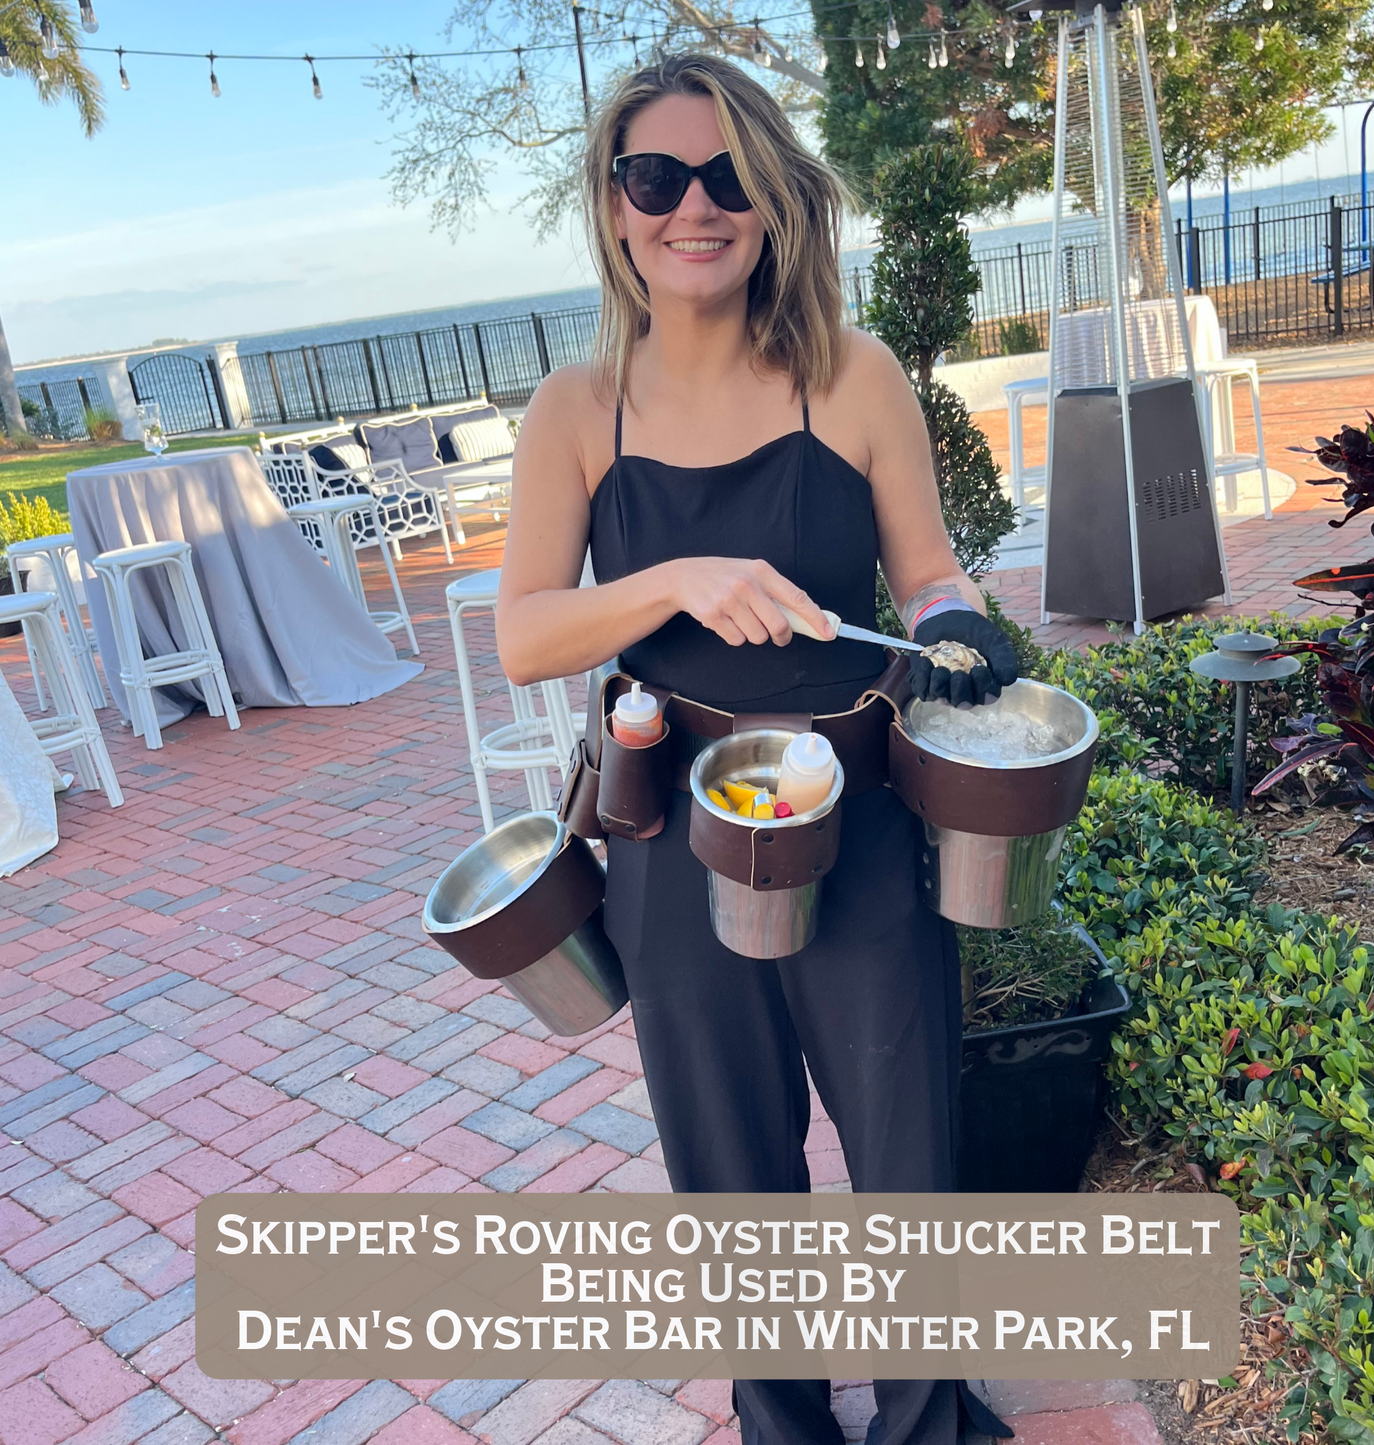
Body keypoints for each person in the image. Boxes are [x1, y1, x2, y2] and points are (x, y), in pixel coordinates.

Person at [496, 52, 1019, 1445]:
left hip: (857, 809)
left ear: (776, 198)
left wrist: (967, 629)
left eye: (728, 176)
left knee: (908, 1147)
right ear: (616, 209)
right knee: (729, 1169)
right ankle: (784, 1421)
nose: (694, 208)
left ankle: (926, 1418)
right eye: (657, 178)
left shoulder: (852, 378)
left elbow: (929, 574)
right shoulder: (574, 410)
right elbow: (527, 634)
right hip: (674, 827)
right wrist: (676, 579)